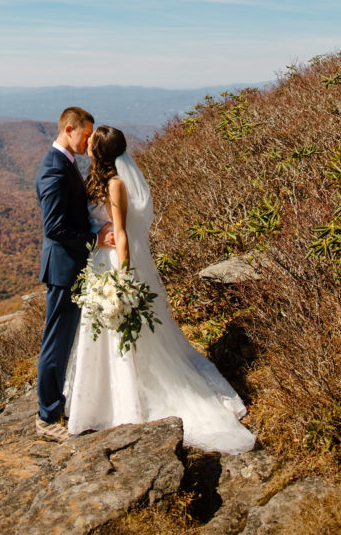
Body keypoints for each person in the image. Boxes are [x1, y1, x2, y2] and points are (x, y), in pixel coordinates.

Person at [64, 125, 256, 453]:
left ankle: (129, 400)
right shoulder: (95, 182)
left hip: (114, 265)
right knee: (99, 332)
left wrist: (123, 280)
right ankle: (100, 400)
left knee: (127, 333)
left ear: (101, 152)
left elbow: (122, 234)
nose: (88, 145)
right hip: (98, 262)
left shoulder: (115, 185)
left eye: (93, 143)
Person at [35, 106, 115, 442]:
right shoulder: (53, 170)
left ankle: (57, 405)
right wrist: (95, 239)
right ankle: (46, 416)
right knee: (56, 341)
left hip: (73, 265)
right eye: (84, 135)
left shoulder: (66, 163)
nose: (87, 143)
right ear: (69, 130)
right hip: (63, 268)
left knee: (65, 338)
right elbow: (54, 228)